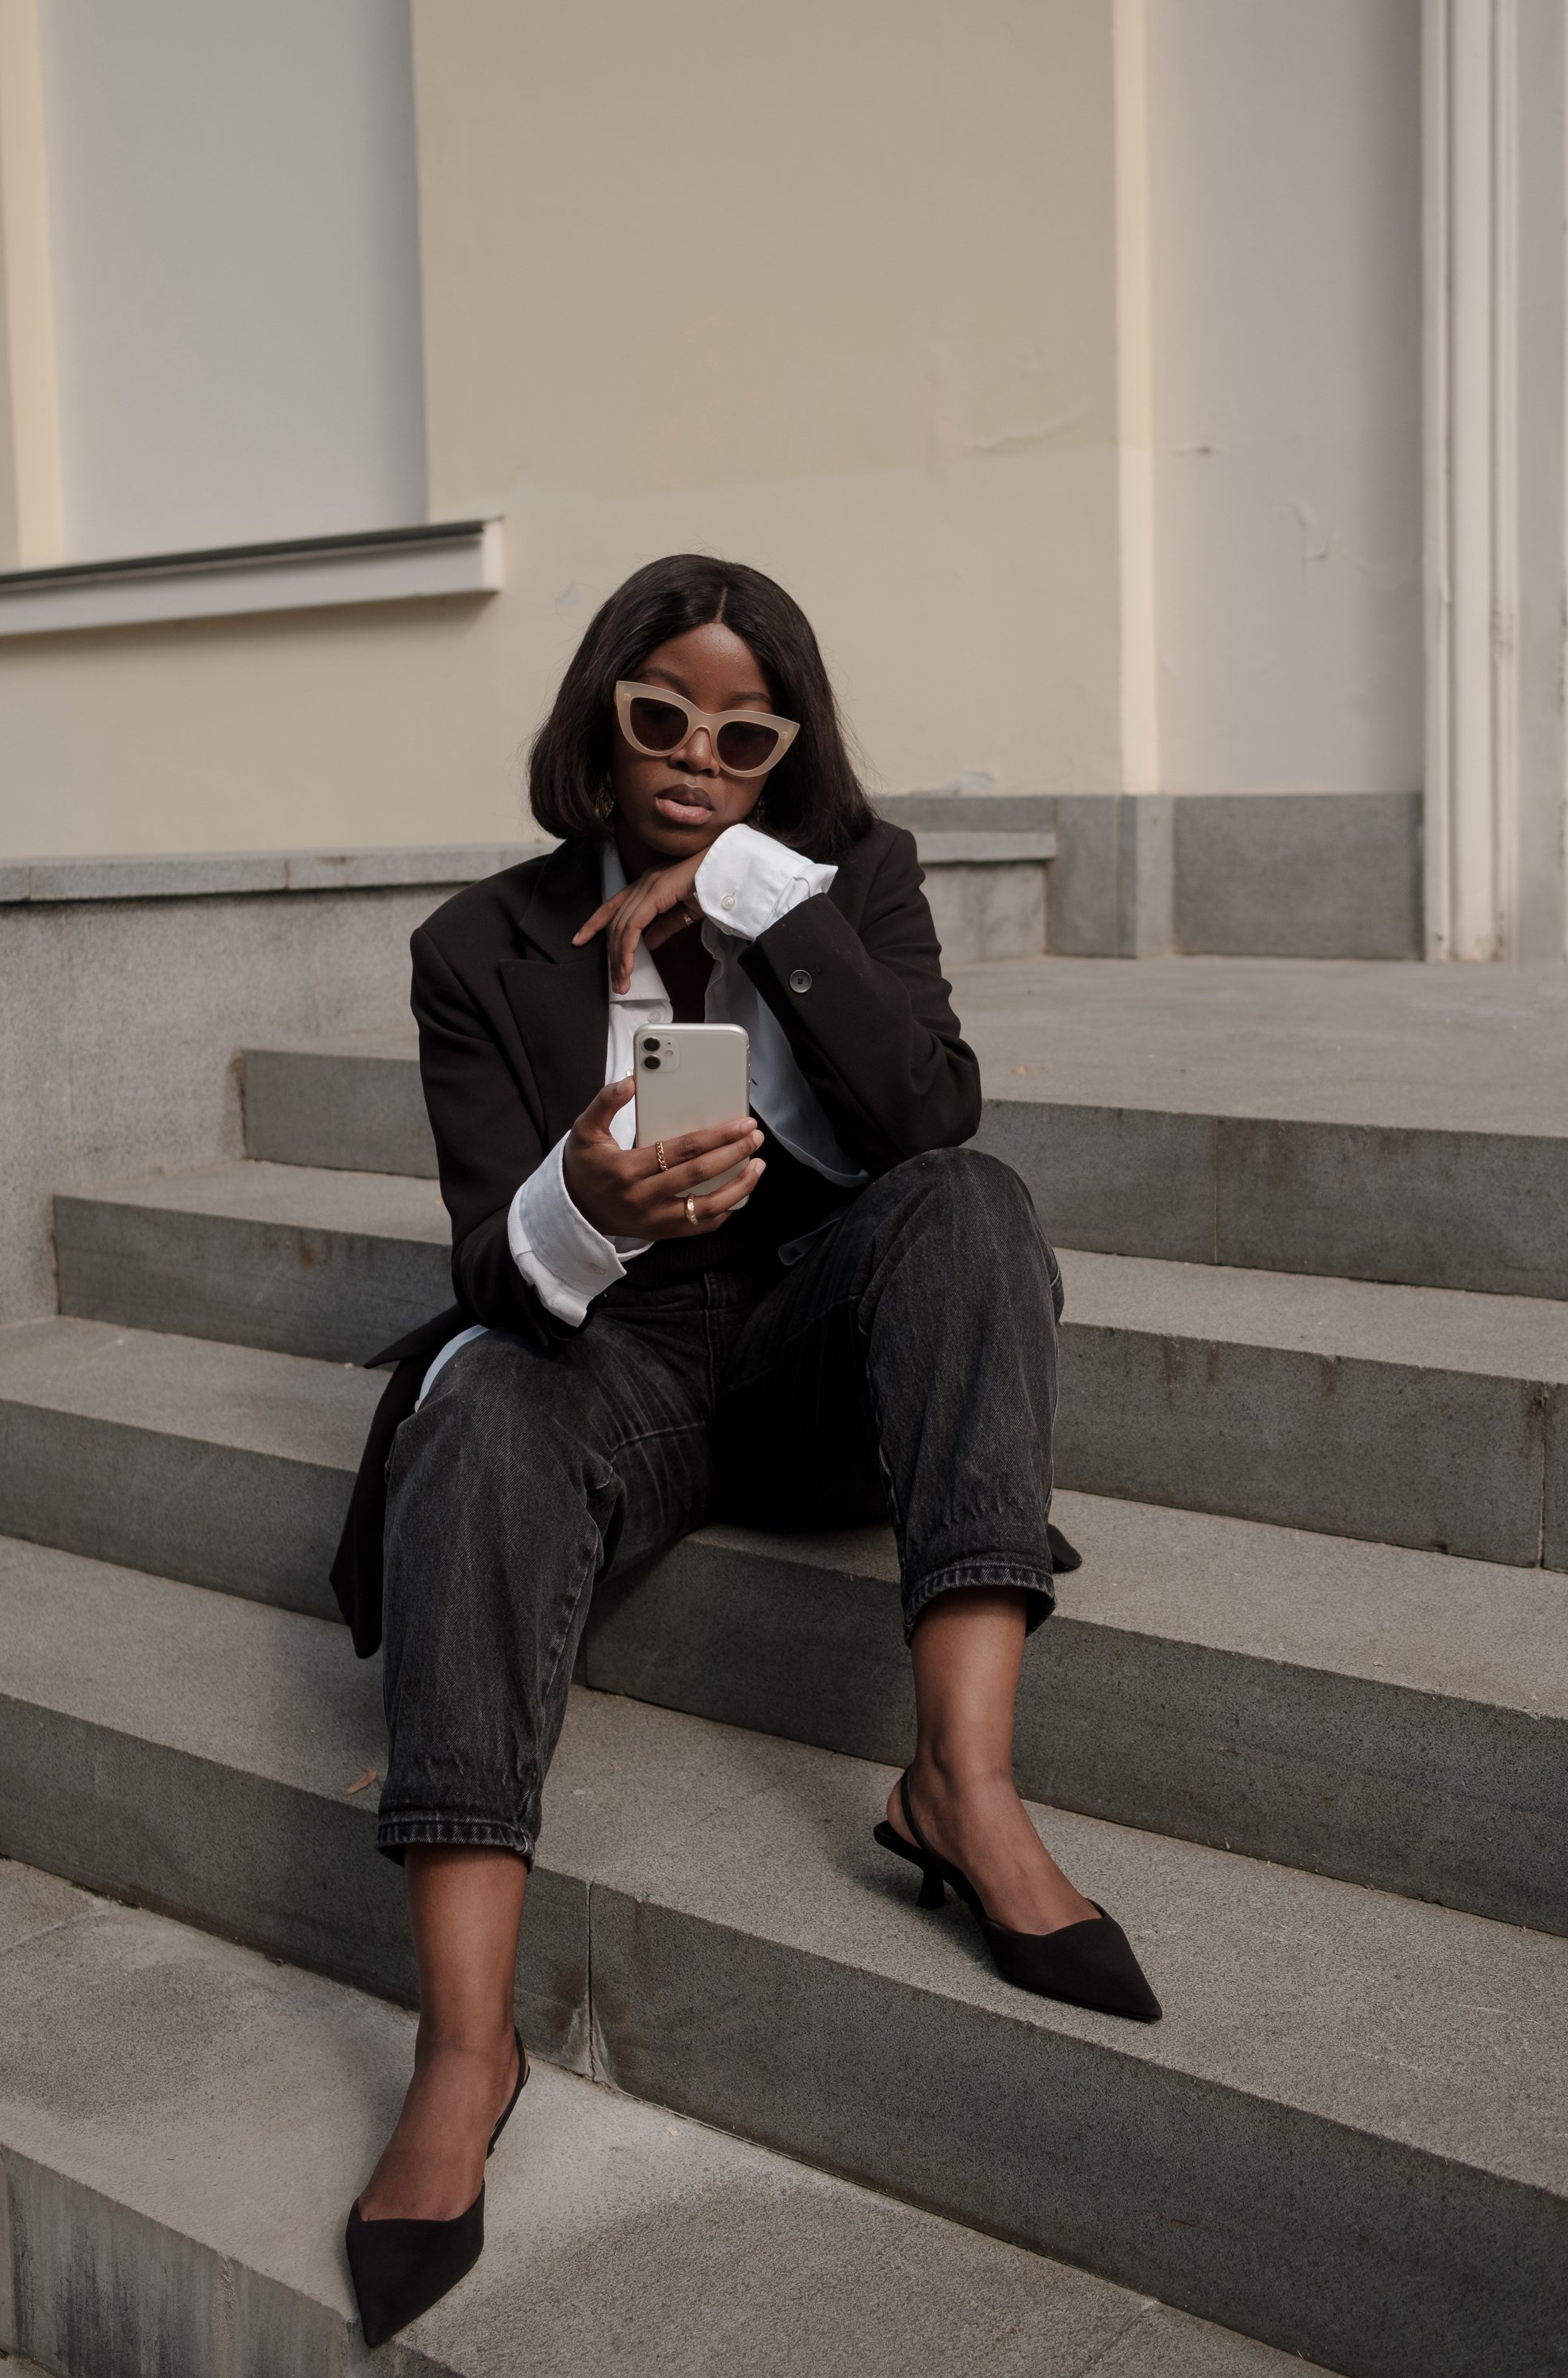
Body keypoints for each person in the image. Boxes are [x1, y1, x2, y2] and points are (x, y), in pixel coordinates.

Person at [336, 553, 1160, 2348]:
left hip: (802, 1352)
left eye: (741, 728)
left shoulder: (846, 881)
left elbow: (927, 1112)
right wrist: (585, 1196)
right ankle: (465, 2044)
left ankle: (963, 1788)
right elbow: (489, 1256)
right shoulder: (476, 946)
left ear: (785, 747)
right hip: (608, 1362)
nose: (694, 754)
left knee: (971, 1202)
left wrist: (771, 904)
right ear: (599, 716)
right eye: (658, 715)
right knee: (470, 1395)